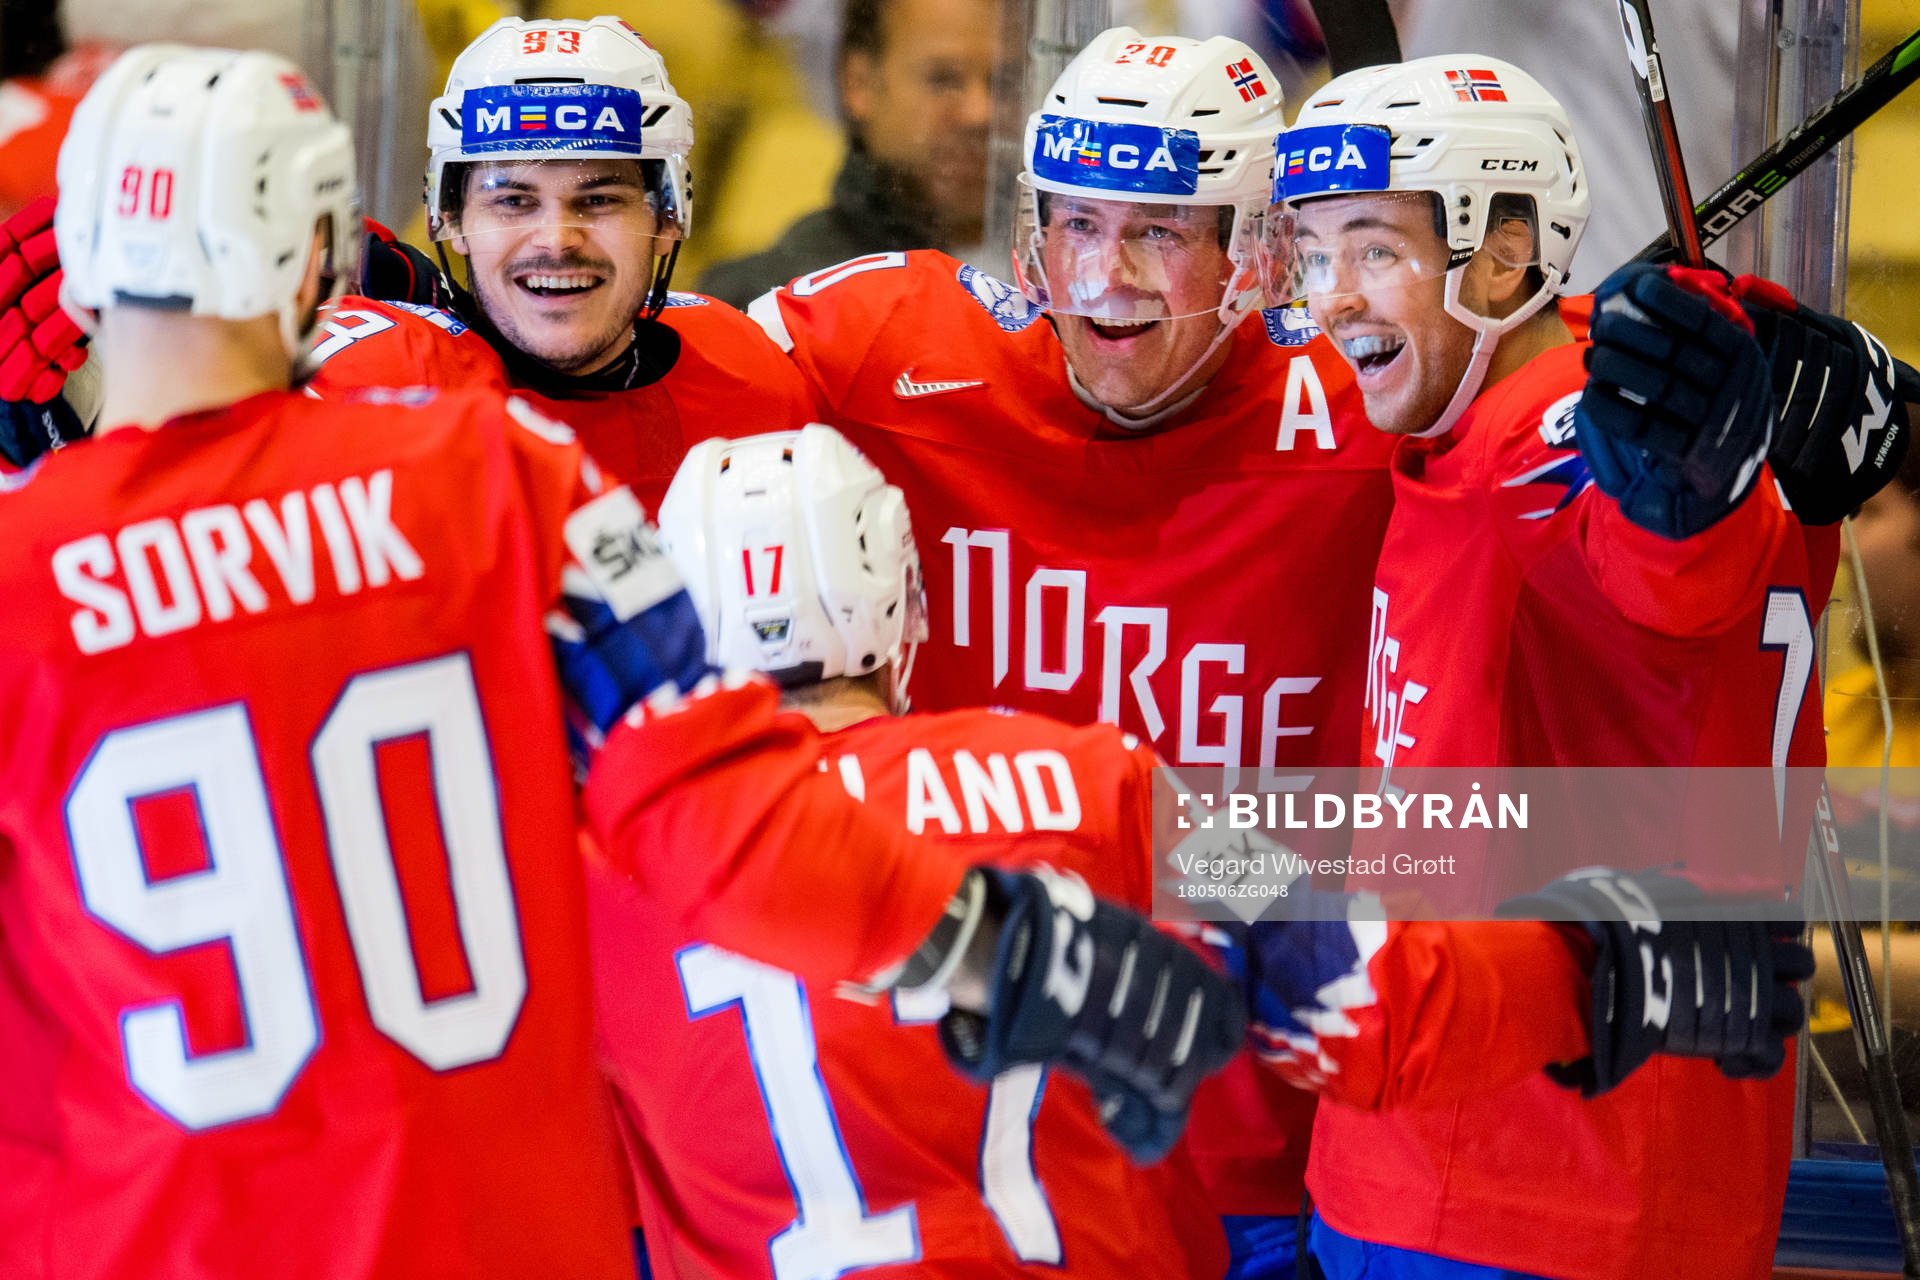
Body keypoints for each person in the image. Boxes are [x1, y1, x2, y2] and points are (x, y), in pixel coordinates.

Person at [0, 43, 1245, 1280]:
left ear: (85, 283)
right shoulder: (499, 475)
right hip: (502, 1220)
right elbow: (730, 813)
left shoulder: (23, 573)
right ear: (321, 252)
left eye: (598, 193)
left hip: (138, 1232)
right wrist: (1020, 949)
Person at [745, 28, 1393, 1275]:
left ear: (1255, 249)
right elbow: (645, 381)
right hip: (965, 1140)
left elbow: (1547, 416)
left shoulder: (1367, 398)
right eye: (1076, 223)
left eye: (1159, 231)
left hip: (1259, 1151)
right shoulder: (897, 349)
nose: (1104, 277)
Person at [1263, 53, 1909, 1280]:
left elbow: (1668, 560)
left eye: (1375, 249)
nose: (1333, 298)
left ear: (1504, 253)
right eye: (1313, 252)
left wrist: (1682, 501)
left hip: (1527, 1181)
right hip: (1548, 1170)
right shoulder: (1532, 397)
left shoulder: (1563, 438)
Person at [0, 15, 817, 508]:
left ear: (668, 214)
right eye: (512, 201)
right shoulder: (367, 380)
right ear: (447, 219)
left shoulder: (747, 370)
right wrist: (80, 430)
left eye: (599, 199)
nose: (556, 237)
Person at [696, 0, 1002, 307]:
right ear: (859, 83)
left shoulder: (1040, 288)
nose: (980, 113)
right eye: (943, 78)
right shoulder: (768, 306)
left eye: (1006, 82)